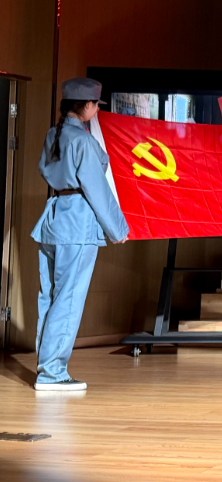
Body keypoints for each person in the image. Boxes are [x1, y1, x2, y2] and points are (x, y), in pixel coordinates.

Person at [32, 79, 129, 392]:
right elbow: (97, 189)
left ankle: (46, 367)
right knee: (68, 298)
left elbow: (46, 170)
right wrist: (118, 229)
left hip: (54, 218)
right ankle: (52, 373)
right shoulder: (83, 141)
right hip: (77, 223)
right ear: (86, 105)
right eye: (96, 104)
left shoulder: (54, 134)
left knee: (50, 298)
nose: (97, 109)